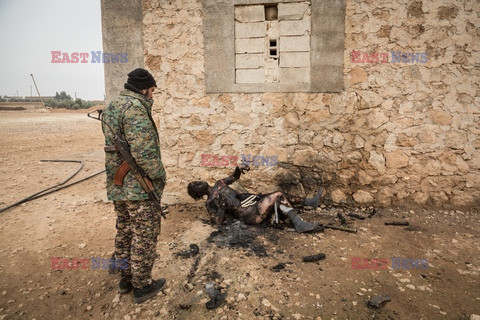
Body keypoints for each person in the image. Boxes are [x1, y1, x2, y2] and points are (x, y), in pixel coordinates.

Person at [102, 68, 167, 304]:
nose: (153, 95)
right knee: (144, 235)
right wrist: (159, 178)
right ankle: (142, 286)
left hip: (118, 185)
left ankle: (125, 279)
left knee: (125, 231)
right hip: (138, 187)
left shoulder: (112, 106)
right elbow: (145, 155)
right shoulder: (136, 109)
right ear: (143, 89)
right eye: (152, 90)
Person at [187, 166, 323, 233]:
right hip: (249, 214)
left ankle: (309, 202)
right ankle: (299, 223)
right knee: (277, 195)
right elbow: (216, 222)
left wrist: (239, 168)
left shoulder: (219, 183)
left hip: (251, 203)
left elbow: (234, 177)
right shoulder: (210, 202)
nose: (198, 182)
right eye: (195, 186)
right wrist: (222, 206)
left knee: (279, 196)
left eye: (196, 181)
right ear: (197, 193)